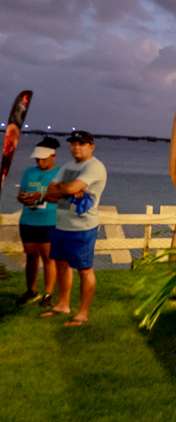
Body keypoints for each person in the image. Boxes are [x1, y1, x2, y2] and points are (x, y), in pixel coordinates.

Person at [39, 131, 107, 327]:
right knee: (61, 265)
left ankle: (83, 313)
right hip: (61, 225)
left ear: (91, 147)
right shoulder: (67, 166)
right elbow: (50, 190)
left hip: (82, 227)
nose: (76, 147)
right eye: (73, 143)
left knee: (84, 269)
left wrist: (64, 189)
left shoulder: (95, 167)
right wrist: (67, 188)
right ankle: (63, 305)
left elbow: (65, 189)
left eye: (81, 144)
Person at [15, 137, 61, 307]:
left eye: (43, 159)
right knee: (31, 256)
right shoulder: (29, 172)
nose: (40, 162)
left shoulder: (61, 173)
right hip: (28, 219)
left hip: (50, 220)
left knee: (49, 258)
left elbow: (63, 197)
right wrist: (22, 198)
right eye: (37, 159)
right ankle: (31, 291)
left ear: (53, 156)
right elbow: (21, 193)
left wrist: (41, 197)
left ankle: (48, 294)